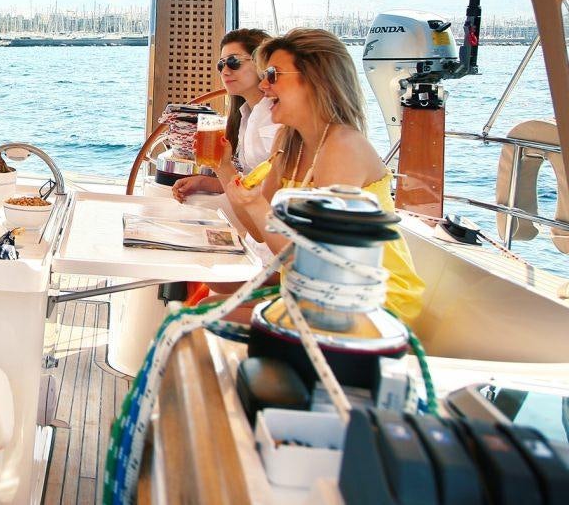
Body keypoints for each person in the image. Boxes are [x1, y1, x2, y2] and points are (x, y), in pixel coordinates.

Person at [219, 28, 426, 323]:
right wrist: (225, 171)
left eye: (274, 75)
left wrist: (257, 205)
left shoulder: (343, 148)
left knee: (203, 325)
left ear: (316, 80)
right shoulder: (288, 143)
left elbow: (320, 262)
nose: (264, 86)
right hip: (320, 292)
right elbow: (259, 232)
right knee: (208, 309)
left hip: (370, 306)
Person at [172, 28, 278, 202]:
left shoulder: (277, 117)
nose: (225, 71)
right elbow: (250, 182)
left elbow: (268, 190)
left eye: (234, 62)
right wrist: (203, 182)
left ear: (262, 63)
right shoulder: (246, 116)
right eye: (221, 64)